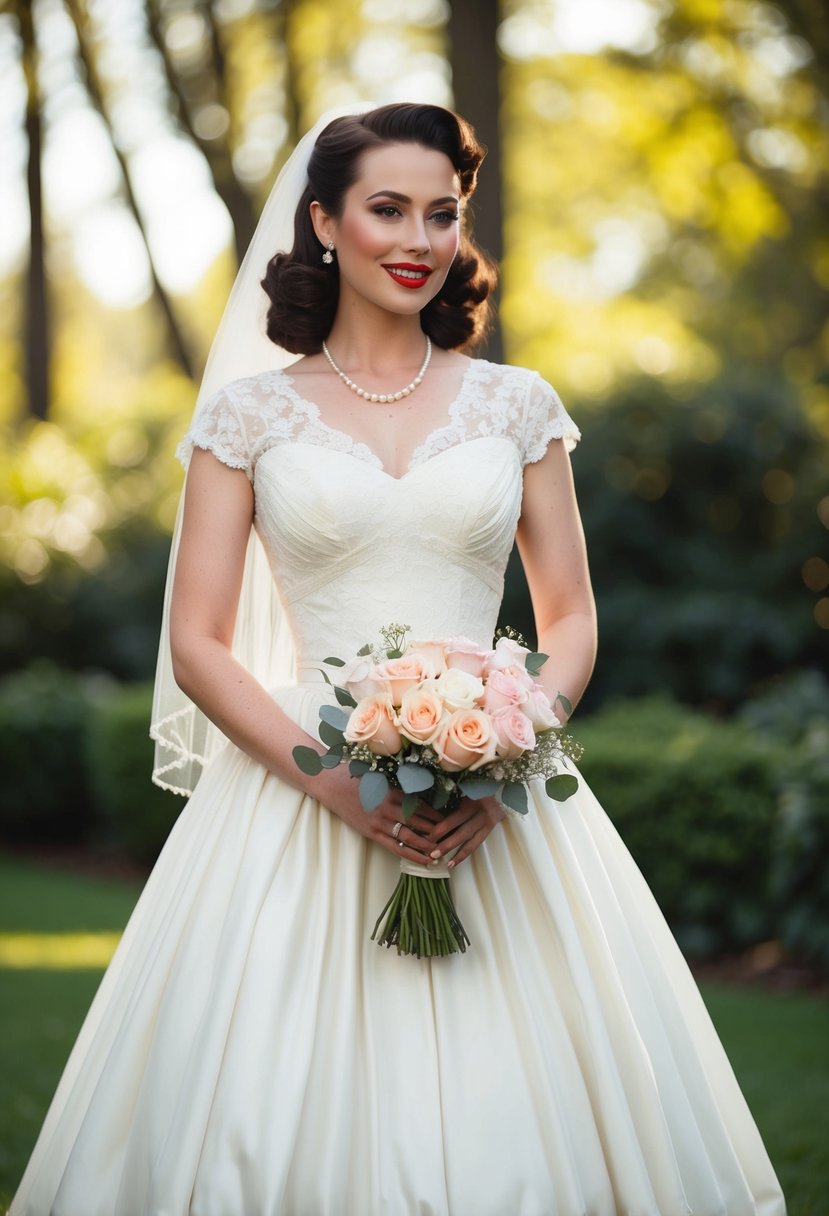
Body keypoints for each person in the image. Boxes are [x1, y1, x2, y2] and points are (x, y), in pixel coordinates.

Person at [10, 103, 785, 1216]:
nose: (419, 237)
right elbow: (196, 642)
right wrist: (330, 779)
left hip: (500, 810)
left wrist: (508, 755)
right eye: (387, 210)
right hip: (295, 796)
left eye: (441, 212)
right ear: (325, 222)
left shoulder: (517, 406)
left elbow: (570, 618)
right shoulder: (248, 417)